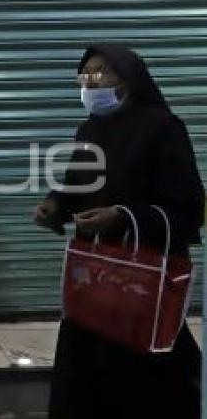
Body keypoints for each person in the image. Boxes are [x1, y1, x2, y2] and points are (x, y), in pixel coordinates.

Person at [33, 45, 204, 419]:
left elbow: (189, 209)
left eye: (101, 73)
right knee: (84, 379)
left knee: (146, 383)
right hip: (93, 282)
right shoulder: (89, 129)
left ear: (129, 80)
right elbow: (78, 187)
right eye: (85, 74)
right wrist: (56, 206)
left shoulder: (162, 129)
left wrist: (124, 217)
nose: (90, 81)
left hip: (142, 283)